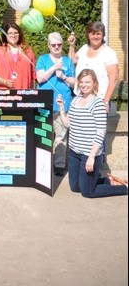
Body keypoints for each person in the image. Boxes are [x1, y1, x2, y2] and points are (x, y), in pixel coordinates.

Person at [56, 68, 127, 198]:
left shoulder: (98, 103)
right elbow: (67, 124)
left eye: (87, 82)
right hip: (74, 152)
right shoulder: (75, 100)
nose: (84, 85)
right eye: (81, 82)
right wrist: (61, 108)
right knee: (75, 187)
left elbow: (101, 132)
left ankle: (124, 188)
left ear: (94, 83)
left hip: (89, 154)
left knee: (87, 192)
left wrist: (92, 156)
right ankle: (107, 181)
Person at [36, 32, 76, 176]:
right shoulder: (43, 59)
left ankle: (59, 164)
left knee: (61, 136)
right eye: (53, 45)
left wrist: (64, 76)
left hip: (62, 104)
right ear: (49, 45)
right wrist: (54, 68)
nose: (56, 47)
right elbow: (40, 78)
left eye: (59, 44)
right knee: (44, 135)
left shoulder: (68, 61)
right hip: (44, 104)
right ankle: (43, 164)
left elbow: (74, 83)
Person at [68, 21, 119, 114]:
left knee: (95, 128)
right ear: (88, 35)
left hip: (98, 100)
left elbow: (114, 79)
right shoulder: (84, 48)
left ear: (103, 35)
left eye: (98, 34)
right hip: (80, 98)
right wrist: (72, 46)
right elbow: (72, 61)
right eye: (93, 34)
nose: (95, 37)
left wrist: (106, 101)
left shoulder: (109, 53)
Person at [0, 23, 36, 90]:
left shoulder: (28, 52)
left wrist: (33, 94)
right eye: (9, 33)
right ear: (5, 35)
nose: (13, 35)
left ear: (20, 34)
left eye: (16, 33)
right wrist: (4, 82)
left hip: (24, 95)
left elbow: (33, 77)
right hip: (4, 95)